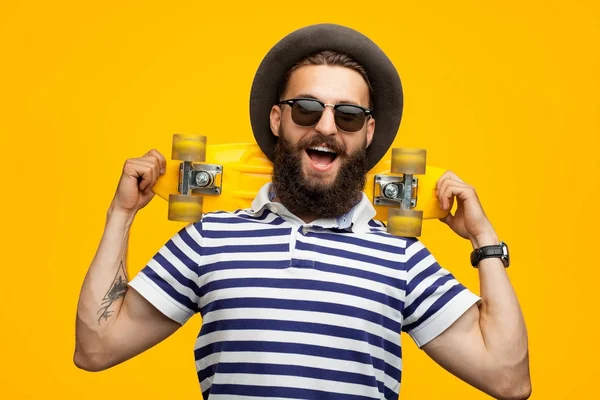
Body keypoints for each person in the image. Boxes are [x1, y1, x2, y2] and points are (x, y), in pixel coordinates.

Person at [74, 24, 531, 399]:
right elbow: (96, 347)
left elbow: (508, 378)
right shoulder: (209, 240)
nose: (327, 126)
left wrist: (484, 240)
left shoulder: (402, 259)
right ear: (277, 120)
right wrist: (121, 213)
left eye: (348, 115)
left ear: (368, 132)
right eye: (307, 109)